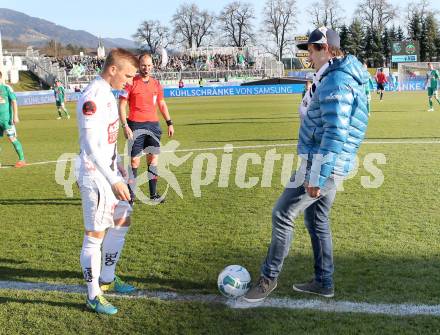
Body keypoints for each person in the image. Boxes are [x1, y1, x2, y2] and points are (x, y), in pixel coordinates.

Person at [243, 27, 369, 302]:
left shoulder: (337, 81)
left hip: (323, 164)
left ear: (325, 49)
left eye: (311, 51)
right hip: (329, 162)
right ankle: (324, 282)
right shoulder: (332, 77)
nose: (308, 57)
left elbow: (336, 132)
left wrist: (317, 176)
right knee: (316, 219)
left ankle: (268, 279)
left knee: (282, 213)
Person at [75, 48, 139, 315]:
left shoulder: (109, 94)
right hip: (96, 177)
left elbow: (106, 140)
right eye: (128, 75)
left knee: (123, 220)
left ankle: (108, 278)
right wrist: (112, 178)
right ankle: (93, 295)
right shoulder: (93, 96)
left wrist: (119, 166)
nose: (130, 81)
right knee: (95, 236)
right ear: (113, 69)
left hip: (111, 171)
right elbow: (90, 144)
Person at [119, 53, 174, 203]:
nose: (146, 68)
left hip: (153, 126)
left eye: (149, 65)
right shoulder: (130, 82)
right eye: (143, 65)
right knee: (135, 161)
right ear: (138, 65)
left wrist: (169, 122)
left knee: (153, 160)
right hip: (135, 125)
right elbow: (122, 105)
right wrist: (125, 125)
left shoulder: (156, 84)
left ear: (152, 66)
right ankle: (130, 195)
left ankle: (153, 194)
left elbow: (162, 104)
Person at [0, 71, 26, 168]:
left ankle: (22, 160)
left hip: (7, 119)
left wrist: (15, 116)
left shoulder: (7, 88)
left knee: (12, 138)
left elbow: (14, 101)